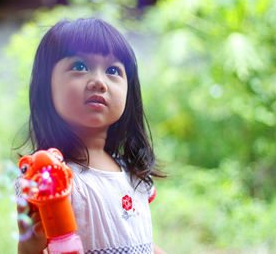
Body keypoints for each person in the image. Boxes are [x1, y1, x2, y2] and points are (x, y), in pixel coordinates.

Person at [16, 17, 166, 254]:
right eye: (79, 66)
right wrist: (29, 246)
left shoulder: (131, 172)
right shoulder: (50, 179)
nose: (99, 81)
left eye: (113, 70)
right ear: (47, 87)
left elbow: (142, 243)